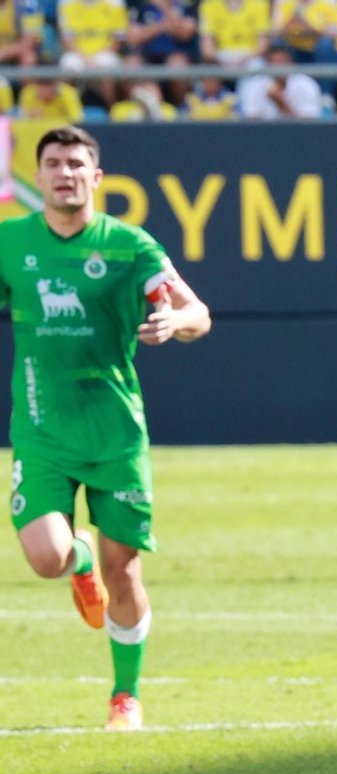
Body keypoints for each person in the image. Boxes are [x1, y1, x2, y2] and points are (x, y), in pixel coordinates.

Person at [3, 126, 212, 732]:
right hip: (41, 431)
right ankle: (78, 556)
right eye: (52, 164)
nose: (63, 173)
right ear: (37, 177)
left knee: (125, 573)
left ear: (95, 179)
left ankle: (125, 695)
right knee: (46, 558)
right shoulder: (11, 241)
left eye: (75, 164)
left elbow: (197, 312)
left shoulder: (129, 247)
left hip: (116, 434)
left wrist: (176, 319)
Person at [238, 41, 322, 118]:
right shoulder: (254, 85)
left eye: (283, 61)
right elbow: (251, 124)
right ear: (267, 65)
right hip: (263, 133)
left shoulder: (306, 84)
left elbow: (307, 128)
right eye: (275, 62)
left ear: (291, 63)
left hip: (295, 134)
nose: (280, 66)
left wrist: (281, 103)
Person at [198, 0, 270, 67]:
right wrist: (222, 60)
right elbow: (207, 47)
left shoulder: (259, 4)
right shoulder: (209, 5)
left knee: (258, 68)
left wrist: (244, 59)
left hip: (250, 55)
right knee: (208, 69)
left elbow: (262, 44)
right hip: (220, 55)